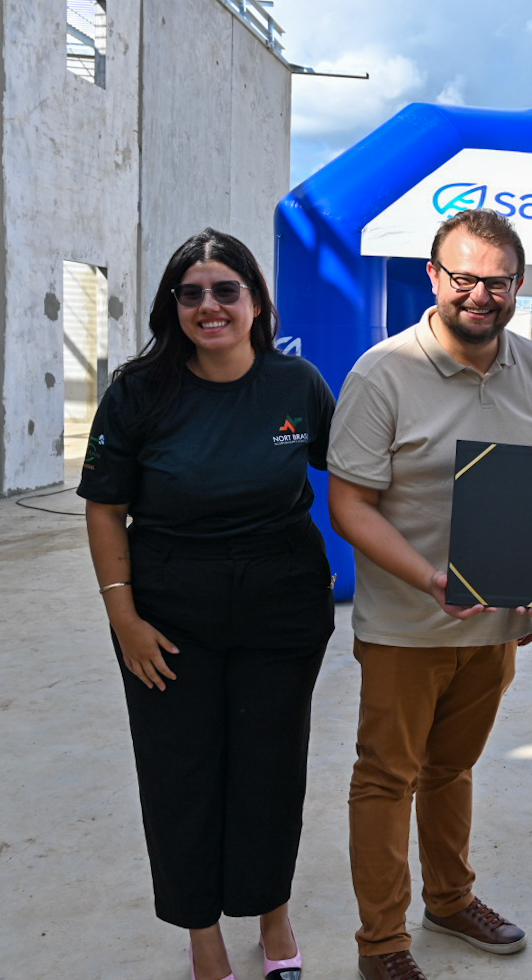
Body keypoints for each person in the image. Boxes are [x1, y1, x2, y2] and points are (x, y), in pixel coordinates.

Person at [79, 229, 336, 980]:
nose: (209, 306)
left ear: (256, 302)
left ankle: (272, 912)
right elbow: (105, 509)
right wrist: (125, 620)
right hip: (169, 609)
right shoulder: (138, 391)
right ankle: (201, 931)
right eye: (191, 294)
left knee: (270, 767)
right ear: (174, 306)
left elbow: (363, 470)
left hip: (281, 605)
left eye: (226, 290)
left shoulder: (298, 385)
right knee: (180, 772)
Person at [327, 209, 532, 980]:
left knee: (451, 769)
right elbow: (350, 506)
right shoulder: (382, 373)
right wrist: (429, 578)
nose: (480, 295)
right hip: (406, 626)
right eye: (463, 277)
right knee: (386, 778)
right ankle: (381, 944)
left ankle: (451, 898)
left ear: (518, 286)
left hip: (495, 626)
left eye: (498, 282)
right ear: (433, 277)